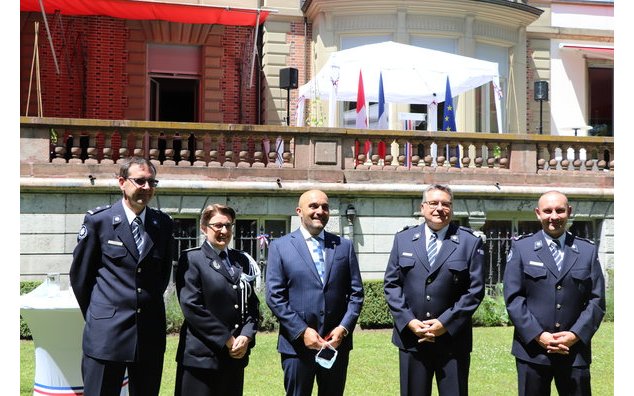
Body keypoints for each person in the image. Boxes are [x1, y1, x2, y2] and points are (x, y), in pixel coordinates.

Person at [69, 156, 174, 396]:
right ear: (121, 182)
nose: (147, 188)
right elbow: (80, 278)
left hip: (148, 333)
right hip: (107, 334)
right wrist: (101, 315)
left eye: (152, 182)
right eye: (140, 181)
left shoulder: (163, 224)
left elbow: (162, 276)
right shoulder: (99, 221)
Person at [383, 184, 485, 396]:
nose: (440, 208)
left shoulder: (469, 242)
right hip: (412, 339)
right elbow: (392, 285)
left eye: (446, 204)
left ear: (452, 209)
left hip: (453, 342)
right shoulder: (403, 240)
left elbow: (474, 290)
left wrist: (444, 323)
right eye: (434, 203)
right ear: (422, 208)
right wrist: (409, 321)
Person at [503, 191, 605, 396]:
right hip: (532, 351)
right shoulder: (522, 248)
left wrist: (575, 335)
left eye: (559, 210)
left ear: (569, 212)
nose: (554, 216)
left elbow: (597, 300)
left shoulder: (587, 251)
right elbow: (513, 299)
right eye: (548, 211)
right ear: (538, 213)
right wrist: (539, 335)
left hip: (574, 351)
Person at [266, 189, 364, 396]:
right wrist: (302, 331)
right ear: (299, 211)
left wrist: (343, 329)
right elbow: (275, 297)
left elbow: (356, 294)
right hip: (296, 347)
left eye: (325, 207)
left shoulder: (343, 247)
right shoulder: (280, 247)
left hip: (335, 345)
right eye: (314, 206)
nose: (320, 211)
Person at [174, 204, 260, 396]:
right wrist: (227, 339)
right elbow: (192, 307)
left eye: (228, 226)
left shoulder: (241, 260)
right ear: (204, 228)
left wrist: (246, 336)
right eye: (218, 225)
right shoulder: (192, 259)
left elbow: (251, 304)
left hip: (235, 356)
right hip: (201, 357)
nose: (224, 231)